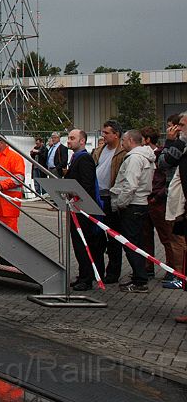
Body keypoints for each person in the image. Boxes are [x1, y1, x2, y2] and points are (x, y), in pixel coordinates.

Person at [110, 129, 156, 292]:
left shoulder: (134, 158)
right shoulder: (144, 157)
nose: (121, 144)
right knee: (137, 242)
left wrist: (120, 203)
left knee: (131, 244)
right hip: (139, 204)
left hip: (132, 205)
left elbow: (130, 185)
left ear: (130, 140)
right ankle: (139, 276)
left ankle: (139, 280)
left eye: (123, 140)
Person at [66, 129, 104, 290]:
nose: (69, 141)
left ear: (82, 141)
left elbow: (87, 185)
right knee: (78, 244)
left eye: (72, 138)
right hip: (75, 207)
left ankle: (87, 278)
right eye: (68, 138)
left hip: (83, 209)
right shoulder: (75, 158)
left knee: (84, 243)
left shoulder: (85, 159)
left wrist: (75, 194)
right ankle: (83, 275)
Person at [93, 119, 128, 283]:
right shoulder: (99, 150)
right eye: (103, 132)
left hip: (111, 198)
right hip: (97, 196)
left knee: (113, 238)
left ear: (116, 134)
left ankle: (113, 273)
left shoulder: (123, 153)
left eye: (107, 133)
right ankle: (97, 270)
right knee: (97, 237)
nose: (103, 135)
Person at [157, 114, 187, 289]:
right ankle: (178, 273)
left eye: (180, 125)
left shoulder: (181, 144)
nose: (177, 129)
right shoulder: (181, 143)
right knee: (174, 237)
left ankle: (179, 274)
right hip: (175, 199)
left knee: (177, 240)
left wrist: (171, 142)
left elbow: (165, 161)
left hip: (180, 202)